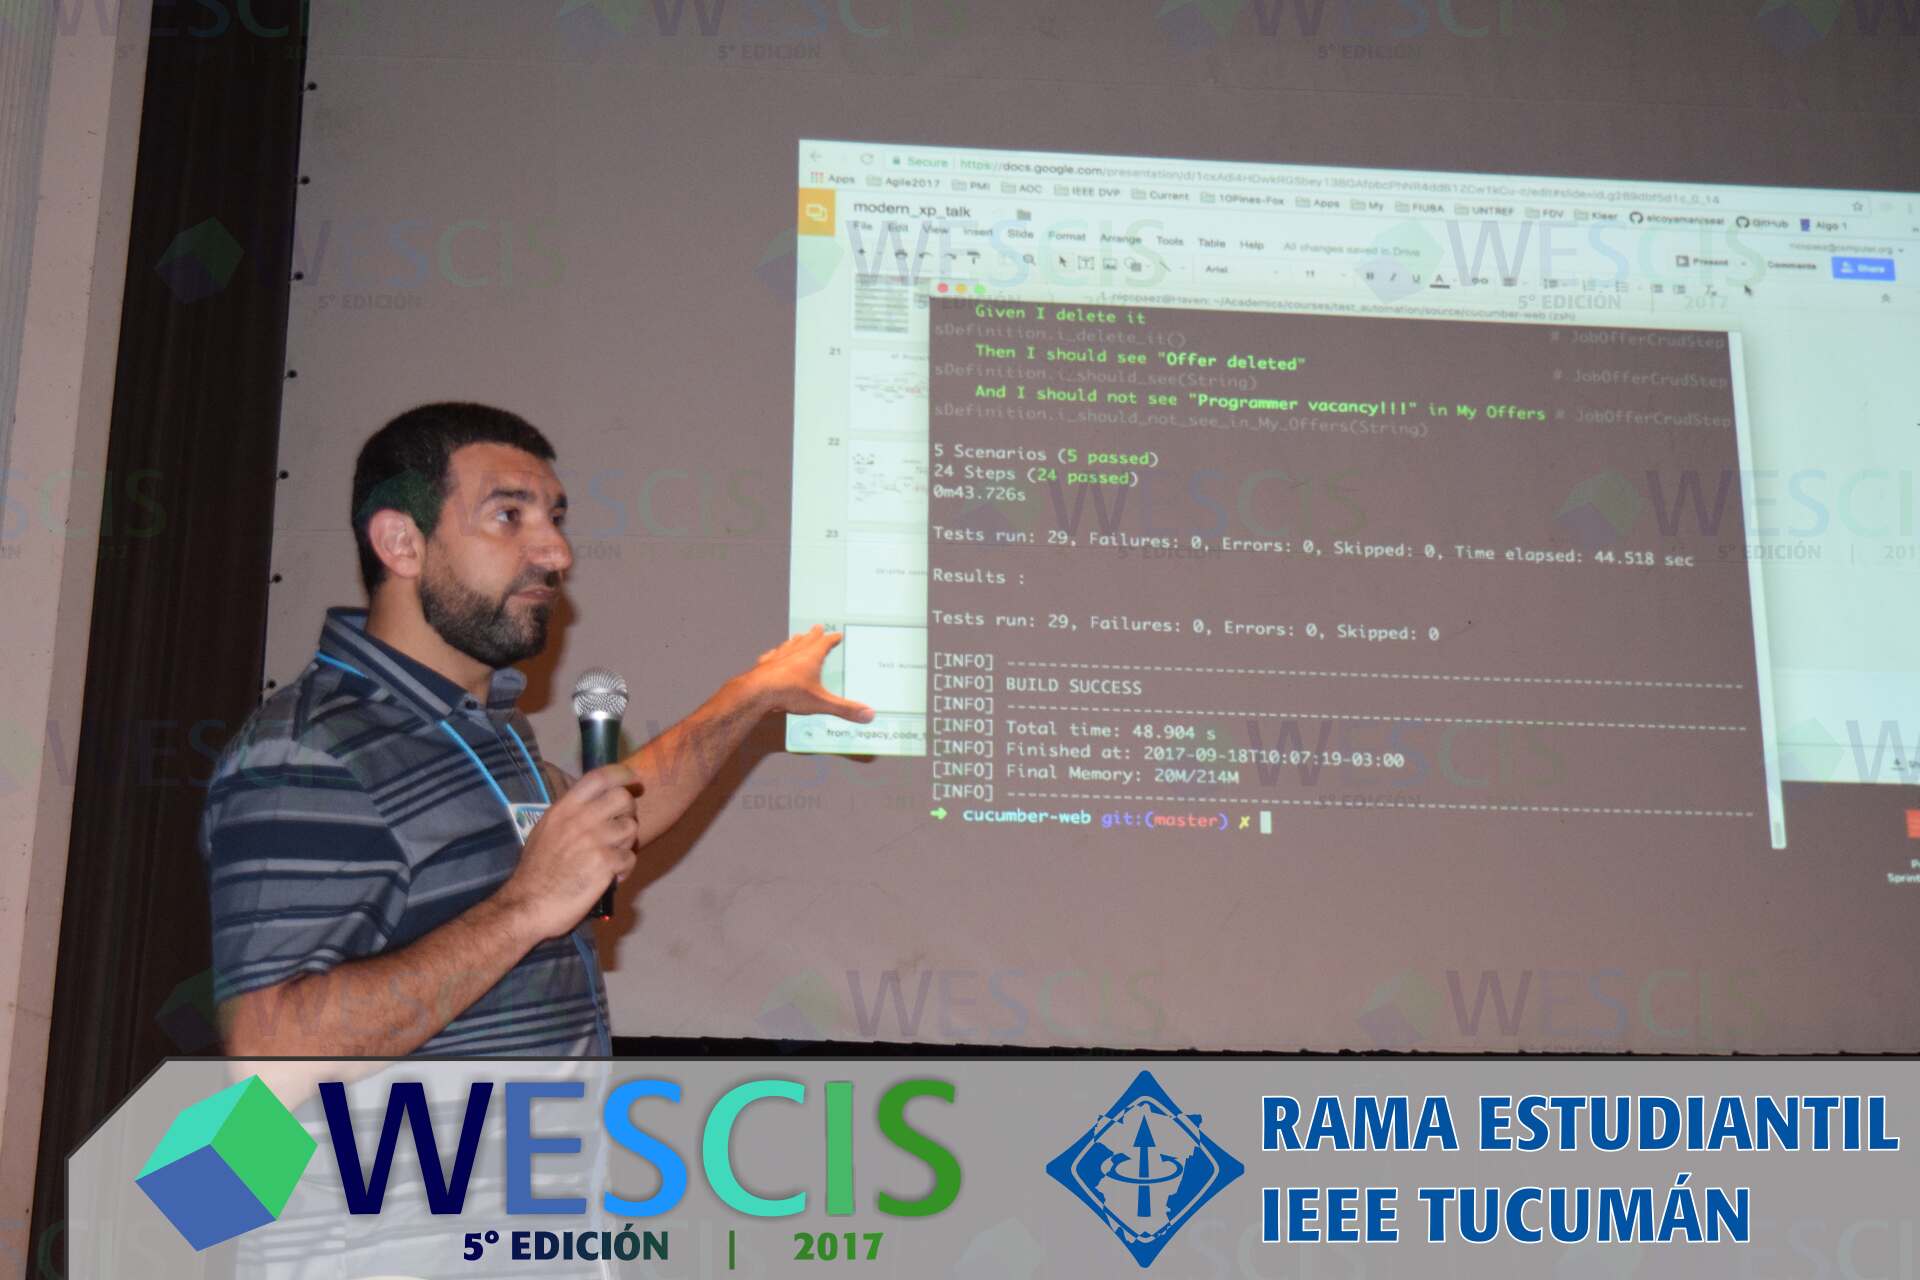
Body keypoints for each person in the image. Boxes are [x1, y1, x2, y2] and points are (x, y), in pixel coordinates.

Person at [199, 402, 873, 1057]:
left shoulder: (478, 725)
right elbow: (269, 1049)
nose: (557, 551)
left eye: (555, 518)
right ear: (402, 543)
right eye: (508, 516)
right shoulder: (307, 753)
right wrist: (523, 909)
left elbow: (612, 816)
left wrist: (751, 696)